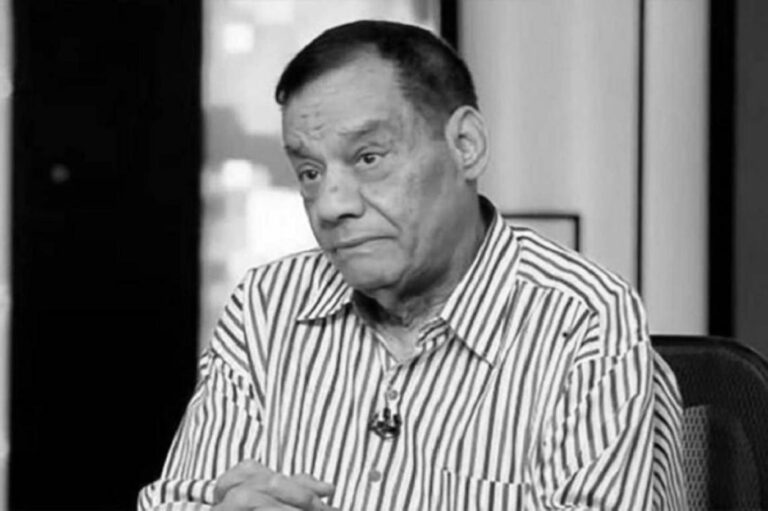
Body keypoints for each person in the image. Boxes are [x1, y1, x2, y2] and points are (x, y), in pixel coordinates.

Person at [138, 20, 687, 510]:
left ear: (465, 145)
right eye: (309, 173)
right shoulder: (267, 305)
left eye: (368, 158)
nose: (330, 205)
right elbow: (178, 498)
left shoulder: (583, 320)